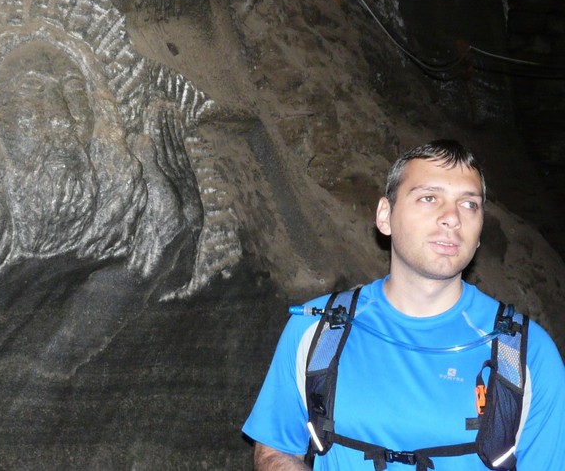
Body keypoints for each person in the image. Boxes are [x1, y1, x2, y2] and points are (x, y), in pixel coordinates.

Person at [242, 140, 565, 470]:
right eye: (429, 198)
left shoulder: (526, 355)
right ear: (385, 216)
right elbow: (275, 451)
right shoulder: (318, 331)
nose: (452, 218)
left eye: (469, 205)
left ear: (480, 231)